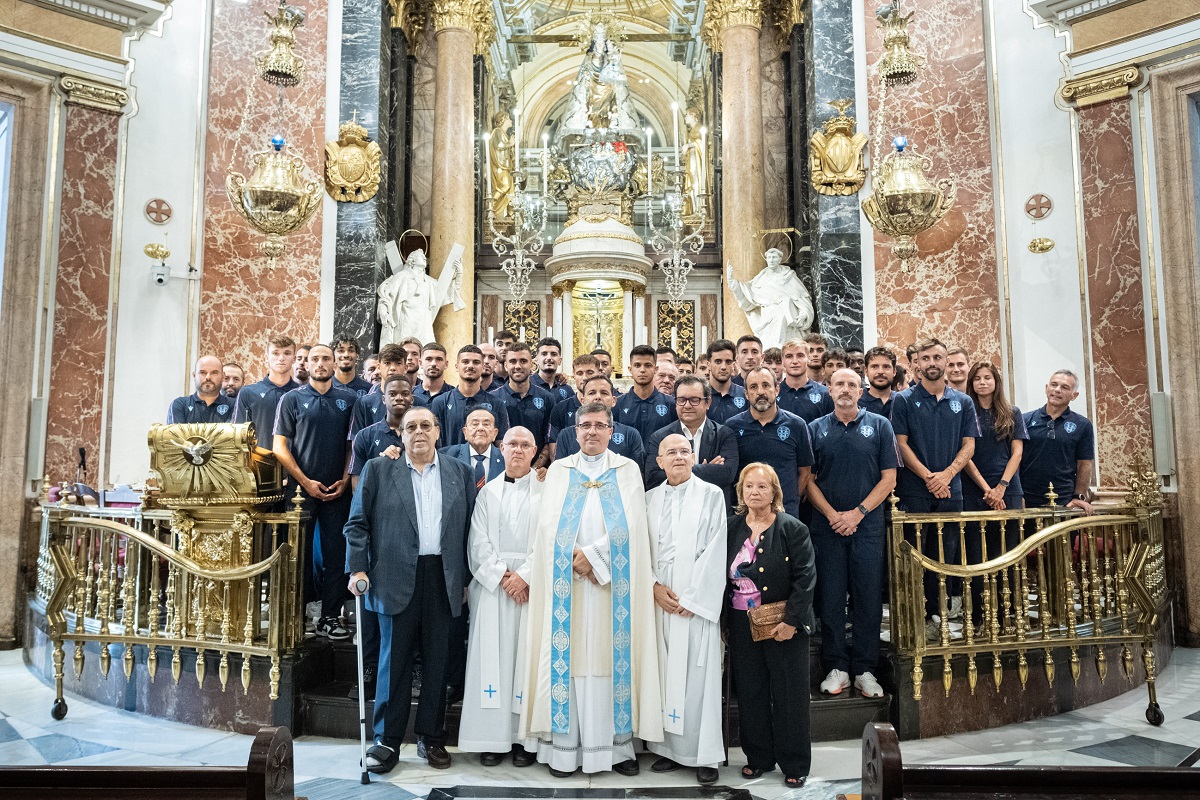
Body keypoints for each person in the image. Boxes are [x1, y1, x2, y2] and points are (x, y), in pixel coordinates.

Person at [518, 402, 663, 776]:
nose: (592, 431)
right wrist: (573, 557)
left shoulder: (626, 470)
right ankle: (564, 752)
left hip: (613, 587)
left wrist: (596, 557)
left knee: (611, 663)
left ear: (611, 431)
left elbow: (634, 525)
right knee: (567, 664)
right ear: (575, 431)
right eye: (585, 425)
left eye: (600, 425)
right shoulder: (560, 470)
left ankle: (616, 750)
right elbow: (547, 527)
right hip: (566, 585)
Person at [346, 407, 477, 774]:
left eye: (425, 426)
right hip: (392, 575)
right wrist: (357, 567)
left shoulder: (460, 472)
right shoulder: (378, 469)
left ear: (438, 432)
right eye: (411, 427)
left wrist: (466, 578)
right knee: (394, 662)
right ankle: (386, 740)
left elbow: (471, 528)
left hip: (443, 575)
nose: (419, 432)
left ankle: (431, 737)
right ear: (400, 435)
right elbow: (357, 524)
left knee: (438, 661)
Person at [806, 369, 898, 699]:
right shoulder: (814, 429)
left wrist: (858, 513)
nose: (845, 389)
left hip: (867, 527)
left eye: (852, 385)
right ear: (829, 390)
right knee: (831, 598)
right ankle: (837, 667)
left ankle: (865, 669)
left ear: (861, 391)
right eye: (839, 384)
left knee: (868, 598)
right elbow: (808, 480)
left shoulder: (880, 426)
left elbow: (889, 478)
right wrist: (833, 516)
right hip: (827, 528)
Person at [726, 463, 816, 789]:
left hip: (783, 624)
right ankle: (759, 758)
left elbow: (806, 578)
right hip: (741, 623)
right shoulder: (731, 527)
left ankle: (794, 763)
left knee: (790, 694)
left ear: (774, 492)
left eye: (762, 486)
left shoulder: (792, 528)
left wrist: (792, 621)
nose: (754, 492)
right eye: (748, 486)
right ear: (741, 492)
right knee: (751, 692)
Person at [645, 434, 727, 784]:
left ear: (694, 458)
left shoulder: (711, 495)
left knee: (698, 678)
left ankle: (703, 754)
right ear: (659, 461)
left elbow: (717, 547)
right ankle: (668, 750)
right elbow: (640, 548)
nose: (678, 457)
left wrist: (693, 599)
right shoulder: (648, 499)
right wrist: (652, 586)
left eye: (684, 451)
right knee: (663, 674)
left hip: (695, 600)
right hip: (659, 597)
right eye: (671, 452)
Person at [458, 427, 541, 767]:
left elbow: (552, 538)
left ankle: (524, 741)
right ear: (500, 449)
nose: (518, 450)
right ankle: (491, 739)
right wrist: (505, 577)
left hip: (533, 589)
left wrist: (526, 576)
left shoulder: (548, 493)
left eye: (525, 445)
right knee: (491, 663)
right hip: (493, 590)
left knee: (527, 664)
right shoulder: (486, 493)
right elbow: (476, 542)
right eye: (512, 445)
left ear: (534, 451)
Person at [890, 338, 979, 637]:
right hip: (915, 491)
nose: (931, 363)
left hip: (951, 492)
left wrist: (947, 475)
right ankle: (918, 617)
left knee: (945, 557)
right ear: (917, 363)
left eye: (937, 358)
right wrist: (930, 477)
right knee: (915, 558)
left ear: (945, 362)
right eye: (925, 358)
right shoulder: (903, 400)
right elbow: (900, 444)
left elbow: (969, 445)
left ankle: (940, 616)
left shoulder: (963, 402)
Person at [273, 343, 357, 640]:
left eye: (326, 359)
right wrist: (305, 481)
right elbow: (279, 447)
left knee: (336, 556)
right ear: (306, 364)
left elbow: (352, 446)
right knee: (298, 556)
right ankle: (297, 615)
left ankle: (330, 616)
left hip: (337, 491)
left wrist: (345, 480)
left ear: (334, 364)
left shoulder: (350, 399)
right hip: (300, 492)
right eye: (315, 359)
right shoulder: (291, 399)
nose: (320, 363)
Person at [347, 373, 413, 703]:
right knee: (372, 609)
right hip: (377, 532)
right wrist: (381, 464)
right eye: (393, 394)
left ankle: (411, 669)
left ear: (412, 397)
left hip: (410, 532)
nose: (399, 398)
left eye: (405, 393)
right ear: (383, 398)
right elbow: (357, 485)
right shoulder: (367, 436)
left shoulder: (420, 432)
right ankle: (368, 670)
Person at [725, 367, 815, 519]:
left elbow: (805, 472)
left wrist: (787, 500)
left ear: (777, 389)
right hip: (745, 515)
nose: (760, 392)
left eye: (766, 385)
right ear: (746, 394)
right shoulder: (732, 427)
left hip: (785, 514)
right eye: (753, 387)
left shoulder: (797, 425)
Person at [644, 375, 738, 508]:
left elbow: (727, 474)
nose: (687, 405)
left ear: (708, 403)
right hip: (673, 509)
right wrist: (706, 469)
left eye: (694, 400)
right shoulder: (660, 437)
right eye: (681, 400)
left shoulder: (724, 434)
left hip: (712, 508)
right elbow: (653, 478)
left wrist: (677, 470)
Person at [1019, 369, 1095, 513]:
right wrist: (1017, 494)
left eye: (1065, 387)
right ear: (1046, 388)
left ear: (1074, 395)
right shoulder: (1024, 420)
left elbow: (1084, 463)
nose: (1057, 390)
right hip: (1027, 499)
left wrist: (1079, 496)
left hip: (1065, 500)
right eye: (1054, 385)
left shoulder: (1083, 425)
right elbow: (1015, 458)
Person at [725, 249, 815, 350]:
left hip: (786, 318)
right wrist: (732, 282)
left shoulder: (789, 277)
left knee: (785, 346)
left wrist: (804, 312)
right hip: (767, 316)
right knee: (769, 347)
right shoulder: (761, 278)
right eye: (769, 257)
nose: (771, 260)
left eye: (774, 257)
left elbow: (802, 297)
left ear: (780, 259)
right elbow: (747, 294)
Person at [376, 247, 463, 346]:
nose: (425, 258)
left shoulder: (429, 282)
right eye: (421, 256)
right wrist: (383, 310)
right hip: (405, 322)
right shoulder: (402, 276)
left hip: (423, 325)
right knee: (403, 349)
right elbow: (386, 295)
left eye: (424, 257)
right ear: (412, 261)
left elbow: (447, 292)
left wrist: (459, 273)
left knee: (425, 351)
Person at [431, 345, 510, 447]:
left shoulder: (497, 404)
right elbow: (434, 441)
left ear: (483, 367)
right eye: (465, 362)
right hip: (448, 457)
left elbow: (500, 444)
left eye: (476, 362)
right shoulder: (440, 402)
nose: (470, 366)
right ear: (457, 366)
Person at [555, 376, 645, 465]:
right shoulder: (566, 436)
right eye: (592, 393)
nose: (598, 397)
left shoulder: (630, 435)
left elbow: (636, 472)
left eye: (604, 393)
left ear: (613, 401)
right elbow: (560, 470)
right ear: (582, 401)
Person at [234, 336, 299, 449]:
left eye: (287, 353)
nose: (281, 358)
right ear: (266, 358)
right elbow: (238, 435)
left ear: (294, 359)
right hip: (259, 459)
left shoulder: (303, 394)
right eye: (275, 353)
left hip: (294, 459)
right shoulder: (248, 393)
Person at [495, 340, 556, 455]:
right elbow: (492, 441)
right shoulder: (493, 398)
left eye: (523, 361)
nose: (518, 366)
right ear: (506, 366)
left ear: (532, 365)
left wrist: (535, 465)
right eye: (513, 361)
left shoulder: (547, 398)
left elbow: (550, 440)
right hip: (502, 464)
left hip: (537, 465)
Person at [615, 345, 677, 444]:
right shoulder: (617, 404)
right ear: (630, 369)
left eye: (648, 365)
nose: (642, 370)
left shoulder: (671, 404)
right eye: (637, 365)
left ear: (656, 369)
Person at [547, 355, 602, 458]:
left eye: (590, 372)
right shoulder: (560, 409)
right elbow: (554, 451)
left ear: (599, 374)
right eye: (579, 373)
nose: (584, 378)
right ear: (574, 375)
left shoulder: (609, 406)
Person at [351, 344, 407, 435]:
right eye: (387, 363)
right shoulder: (364, 403)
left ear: (405, 368)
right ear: (379, 367)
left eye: (398, 363)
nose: (392, 368)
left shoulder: (417, 402)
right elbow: (355, 440)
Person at [441, 408, 506, 486]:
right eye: (475, 424)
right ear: (465, 432)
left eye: (486, 424)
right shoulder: (447, 456)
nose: (480, 428)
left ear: (495, 434)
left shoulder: (505, 458)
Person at [777, 339, 834, 423]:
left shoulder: (825, 394)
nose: (795, 361)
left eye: (800, 356)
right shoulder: (773, 394)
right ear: (782, 361)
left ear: (809, 358)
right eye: (789, 356)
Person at [169, 355, 236, 424]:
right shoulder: (180, 405)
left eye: (214, 373)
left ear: (223, 376)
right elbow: (176, 431)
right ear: (194, 376)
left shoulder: (235, 405)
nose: (208, 377)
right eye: (202, 373)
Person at [705, 339, 747, 424]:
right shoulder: (699, 395)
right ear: (708, 365)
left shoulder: (745, 395)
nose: (723, 367)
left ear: (733, 365)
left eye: (728, 362)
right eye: (718, 362)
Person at [532, 337, 574, 403]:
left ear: (560, 360)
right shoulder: (527, 385)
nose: (549, 358)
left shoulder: (567, 390)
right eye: (544, 354)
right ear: (536, 359)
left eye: (553, 354)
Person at [858, 346, 896, 420]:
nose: (880, 372)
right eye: (874, 367)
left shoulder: (903, 401)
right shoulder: (856, 401)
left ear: (894, 371)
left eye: (886, 367)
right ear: (866, 371)